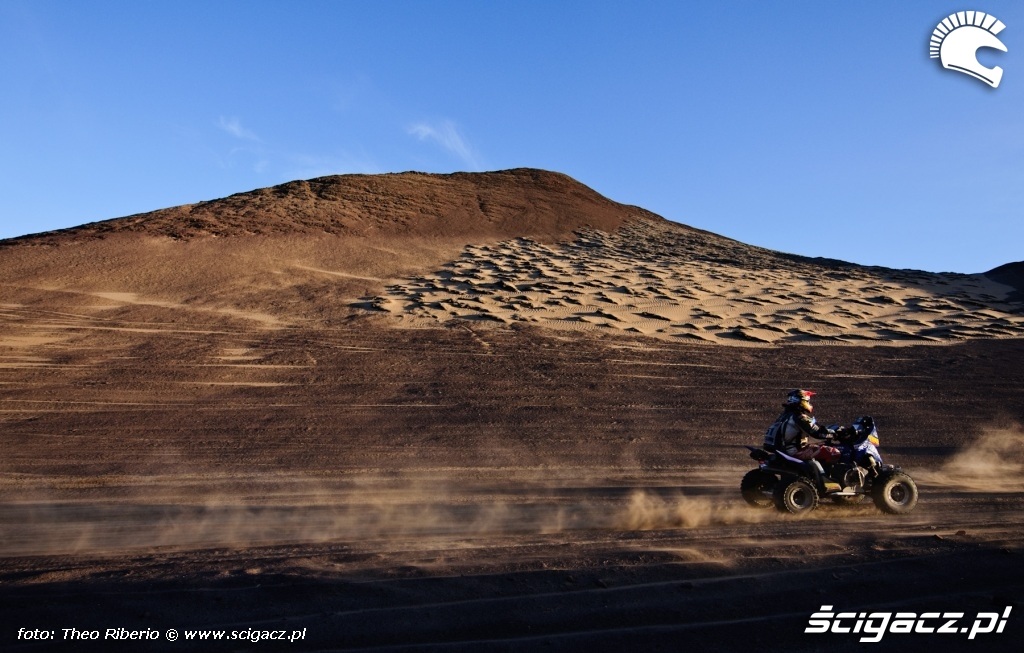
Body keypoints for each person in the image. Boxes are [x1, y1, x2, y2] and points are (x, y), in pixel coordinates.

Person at [763, 389, 840, 463]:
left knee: (819, 446)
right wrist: (835, 434)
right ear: (803, 401)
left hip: (785, 450)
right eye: (808, 401)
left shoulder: (784, 416)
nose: (809, 403)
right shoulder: (799, 417)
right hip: (795, 451)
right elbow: (816, 433)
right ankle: (822, 475)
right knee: (834, 452)